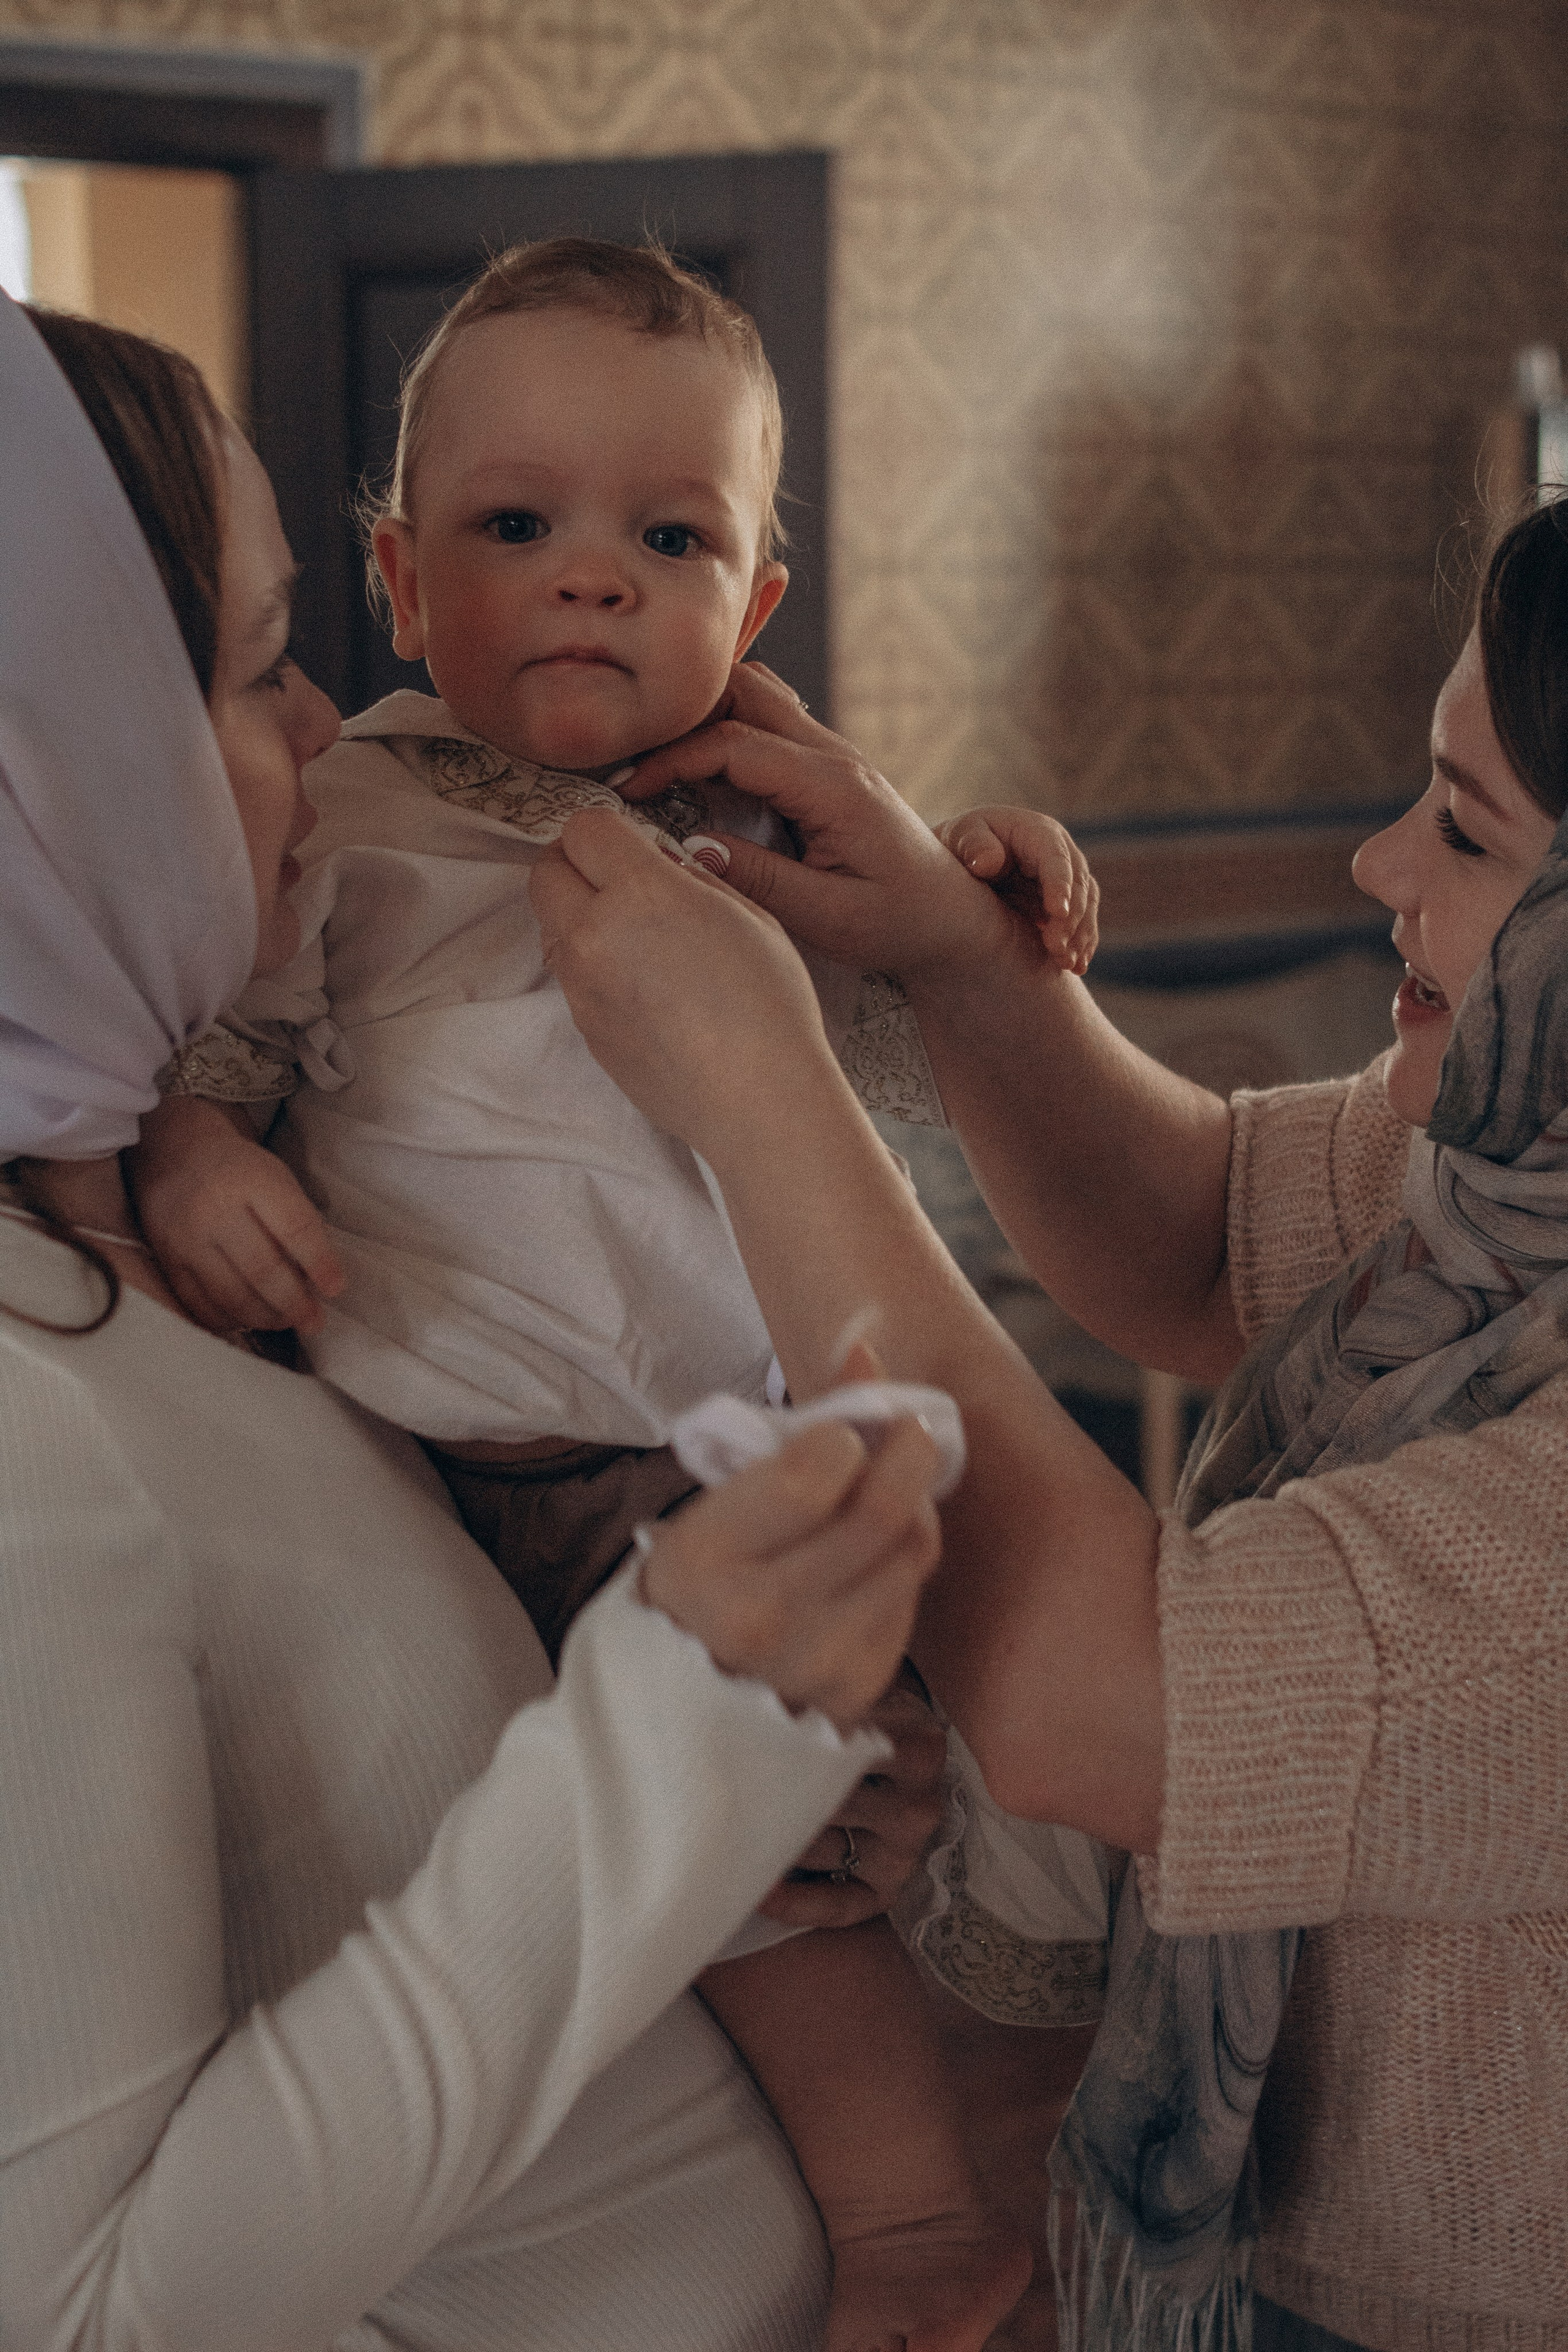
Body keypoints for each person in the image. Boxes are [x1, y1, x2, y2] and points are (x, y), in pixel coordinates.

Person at [122, 236, 1115, 2346]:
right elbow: (231, 1037)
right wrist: (204, 1152)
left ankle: (992, 2189)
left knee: (949, 1798)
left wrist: (965, 904)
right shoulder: (350, 819)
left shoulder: (753, 822)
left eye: (666, 536)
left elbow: (903, 1060)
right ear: (396, 585)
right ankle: (917, 2221)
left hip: (741, 1435)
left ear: (750, 606)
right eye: (515, 526)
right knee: (765, 1881)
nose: (591, 578)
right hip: (506, 1461)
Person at [529, 499, 1568, 2352]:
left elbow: (1102, 1703)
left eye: (1467, 833)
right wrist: (945, 938)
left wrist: (770, 1093)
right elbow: (1195, 1231)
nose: (1376, 857)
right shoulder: (1512, 1173)